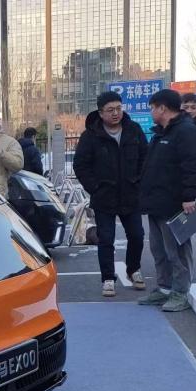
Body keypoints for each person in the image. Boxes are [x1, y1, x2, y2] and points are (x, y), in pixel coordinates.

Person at [74, 91, 148, 298]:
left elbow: (145, 157)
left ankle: (133, 269)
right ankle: (108, 278)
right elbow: (80, 165)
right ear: (101, 113)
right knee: (106, 239)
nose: (116, 113)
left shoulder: (133, 130)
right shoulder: (91, 135)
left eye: (118, 108)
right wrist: (94, 187)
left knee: (137, 235)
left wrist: (139, 182)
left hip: (130, 194)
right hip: (104, 196)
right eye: (110, 110)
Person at [136, 89, 196, 312]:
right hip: (156, 202)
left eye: (152, 108)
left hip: (174, 203)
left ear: (162, 108)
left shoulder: (185, 131)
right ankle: (164, 288)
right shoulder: (161, 133)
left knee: (177, 251)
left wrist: (189, 196)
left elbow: (192, 166)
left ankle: (180, 292)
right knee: (159, 249)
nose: (151, 113)